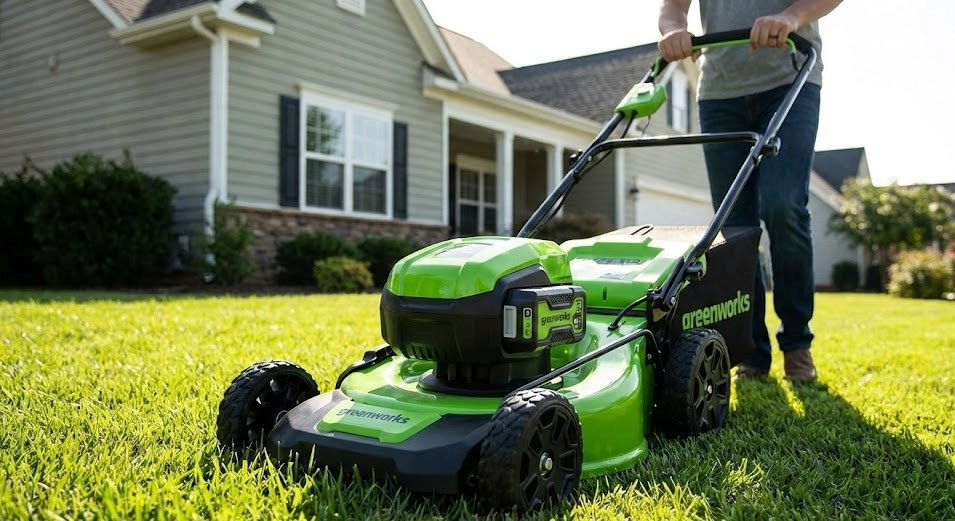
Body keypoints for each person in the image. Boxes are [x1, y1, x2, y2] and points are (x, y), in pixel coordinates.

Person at [657, 0, 842, 382]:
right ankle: (751, 352)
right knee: (735, 227)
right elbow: (672, 5)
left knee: (783, 205)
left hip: (790, 74)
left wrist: (791, 17)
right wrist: (672, 29)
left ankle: (796, 344)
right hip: (720, 91)